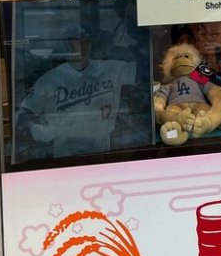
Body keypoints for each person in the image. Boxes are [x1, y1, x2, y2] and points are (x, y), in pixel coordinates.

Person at [14, 24, 137, 160]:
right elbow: (23, 113)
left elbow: (146, 71)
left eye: (86, 41)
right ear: (67, 45)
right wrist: (34, 127)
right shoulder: (51, 78)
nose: (83, 46)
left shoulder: (110, 69)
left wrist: (133, 44)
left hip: (103, 148)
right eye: (76, 42)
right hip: (65, 152)